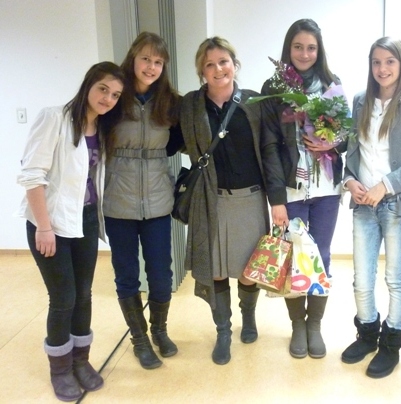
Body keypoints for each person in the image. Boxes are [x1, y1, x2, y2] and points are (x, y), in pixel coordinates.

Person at [16, 62, 125, 401]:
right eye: (103, 89)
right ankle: (60, 369)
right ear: (89, 84)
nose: (108, 98)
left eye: (115, 95)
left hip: (85, 220)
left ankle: (80, 361)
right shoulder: (55, 118)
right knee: (63, 298)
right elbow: (32, 175)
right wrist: (44, 227)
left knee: (84, 295)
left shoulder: (103, 128)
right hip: (51, 224)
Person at [179, 36, 283, 365]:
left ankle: (248, 317)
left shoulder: (254, 102)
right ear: (202, 71)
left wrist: (277, 200)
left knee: (250, 269)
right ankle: (223, 331)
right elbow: (178, 140)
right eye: (209, 64)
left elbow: (269, 150)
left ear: (234, 65)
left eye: (223, 61)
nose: (218, 69)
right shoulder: (191, 105)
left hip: (250, 198)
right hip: (211, 199)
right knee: (216, 269)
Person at [340, 37, 401, 378]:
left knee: (395, 278)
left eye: (390, 61)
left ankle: (390, 345)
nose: (382, 68)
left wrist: (386, 185)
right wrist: (349, 181)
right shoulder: (360, 100)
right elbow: (353, 152)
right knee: (361, 279)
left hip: (397, 203)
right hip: (363, 203)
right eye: (376, 62)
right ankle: (367, 335)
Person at [261, 18, 346, 359]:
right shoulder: (274, 87)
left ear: (319, 50)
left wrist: (332, 142)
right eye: (298, 47)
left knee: (321, 256)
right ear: (289, 48)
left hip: (326, 188)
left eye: (311, 47)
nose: (305, 53)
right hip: (291, 189)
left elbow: (346, 136)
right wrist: (276, 199)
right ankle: (297, 324)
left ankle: (315, 325)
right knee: (295, 258)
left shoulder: (331, 85)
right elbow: (268, 146)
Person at [103, 32, 182, 370]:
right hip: (118, 201)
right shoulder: (114, 96)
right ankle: (139, 339)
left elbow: (178, 143)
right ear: (133, 58)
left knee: (161, 275)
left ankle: (159, 330)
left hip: (158, 201)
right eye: (146, 59)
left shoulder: (170, 102)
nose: (151, 67)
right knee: (126, 275)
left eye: (158, 61)